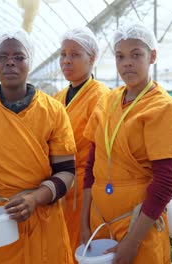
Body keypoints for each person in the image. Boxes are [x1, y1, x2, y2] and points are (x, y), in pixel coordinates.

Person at [0, 29, 77, 264]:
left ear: (29, 62)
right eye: (2, 57)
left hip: (42, 218)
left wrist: (34, 199)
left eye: (18, 57)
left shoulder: (52, 111)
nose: (10, 62)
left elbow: (66, 171)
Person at [81, 22, 172, 264]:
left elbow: (165, 182)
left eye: (136, 54)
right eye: (120, 56)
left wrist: (133, 241)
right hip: (100, 222)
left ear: (152, 56)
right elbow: (91, 169)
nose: (127, 62)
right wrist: (85, 225)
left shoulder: (163, 108)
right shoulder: (107, 102)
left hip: (138, 224)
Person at [53, 27, 109, 258]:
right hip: (58, 187)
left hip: (84, 190)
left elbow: (102, 151)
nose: (66, 60)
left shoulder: (101, 96)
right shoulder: (57, 98)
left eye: (75, 54)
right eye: (63, 54)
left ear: (92, 58)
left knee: (81, 246)